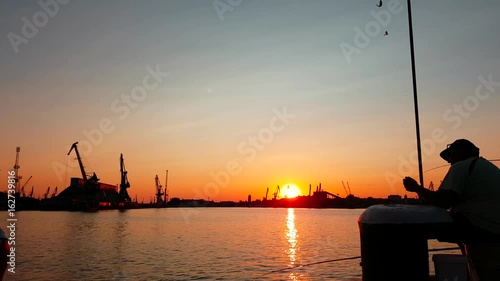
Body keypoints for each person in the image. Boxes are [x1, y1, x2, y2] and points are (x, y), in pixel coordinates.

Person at [403, 139, 500, 281]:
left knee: (415, 228)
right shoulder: (487, 167)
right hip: (492, 226)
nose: (449, 161)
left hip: (483, 226)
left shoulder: (462, 166)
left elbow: (443, 201)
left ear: (460, 152)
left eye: (450, 155)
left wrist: (417, 188)